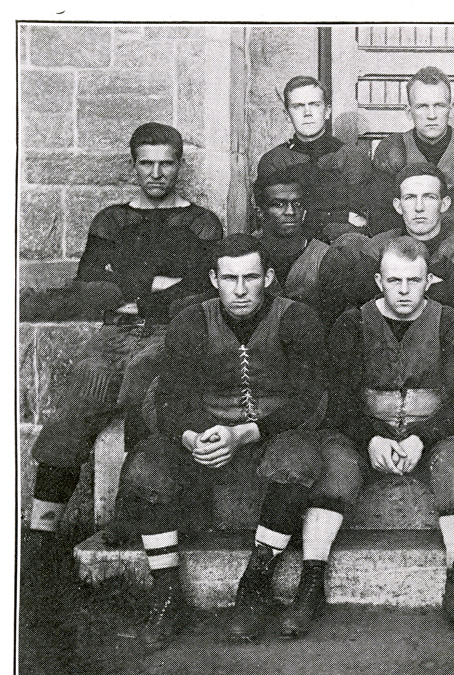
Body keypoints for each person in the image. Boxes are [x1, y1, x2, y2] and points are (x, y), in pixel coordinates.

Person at [117, 234, 351, 648]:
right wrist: (192, 437)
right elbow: (169, 400)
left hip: (270, 433)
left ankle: (255, 581)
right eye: (229, 278)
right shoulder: (191, 321)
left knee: (298, 459)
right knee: (146, 465)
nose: (240, 290)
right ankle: (167, 593)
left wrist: (245, 432)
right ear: (214, 278)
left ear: (269, 277)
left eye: (251, 277)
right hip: (210, 435)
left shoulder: (297, 318)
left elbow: (311, 398)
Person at [27, 123, 222, 567]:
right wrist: (155, 286)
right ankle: (40, 534)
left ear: (179, 165)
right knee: (81, 393)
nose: (156, 173)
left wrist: (131, 286)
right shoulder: (112, 220)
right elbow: (90, 287)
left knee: (144, 388)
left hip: (166, 334)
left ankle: (130, 515)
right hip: (115, 332)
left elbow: (200, 293)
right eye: (146, 163)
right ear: (134, 165)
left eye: (165, 163)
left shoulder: (201, 224)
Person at [310, 237, 454, 637]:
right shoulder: (351, 323)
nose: (404, 290)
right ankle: (311, 578)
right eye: (394, 281)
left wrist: (422, 437)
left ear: (429, 280)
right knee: (334, 459)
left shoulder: (453, 323)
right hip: (368, 432)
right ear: (379, 280)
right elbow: (340, 400)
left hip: (432, 433)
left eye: (414, 280)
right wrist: (372, 438)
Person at [315, 163, 454, 331]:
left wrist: (392, 284)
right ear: (398, 205)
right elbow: (360, 291)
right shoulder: (380, 244)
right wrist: (433, 285)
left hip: (437, 333)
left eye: (429, 197)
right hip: (386, 330)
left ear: (444, 204)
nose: (419, 208)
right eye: (410, 198)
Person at [369, 66, 454, 241]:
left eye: (439, 105)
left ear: (451, 110)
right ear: (409, 111)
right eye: (422, 106)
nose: (431, 115)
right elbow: (382, 219)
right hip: (408, 245)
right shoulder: (393, 149)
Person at [256, 75, 375, 243]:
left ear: (327, 111)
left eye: (314, 105)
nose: (307, 113)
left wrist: (308, 214)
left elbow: (359, 219)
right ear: (287, 115)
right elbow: (275, 219)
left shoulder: (352, 157)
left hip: (338, 245)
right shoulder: (274, 161)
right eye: (298, 106)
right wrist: (337, 214)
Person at [252, 165, 330, 303]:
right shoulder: (246, 251)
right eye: (278, 204)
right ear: (260, 213)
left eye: (297, 204)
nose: (291, 212)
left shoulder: (323, 256)